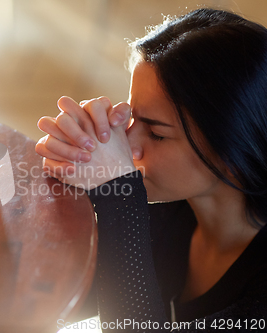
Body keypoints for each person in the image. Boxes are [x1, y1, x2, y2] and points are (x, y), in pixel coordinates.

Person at [36, 8, 267, 332]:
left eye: (157, 133)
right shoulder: (175, 210)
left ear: (233, 148)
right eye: (130, 118)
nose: (126, 145)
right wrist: (78, 157)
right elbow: (59, 296)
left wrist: (119, 197)